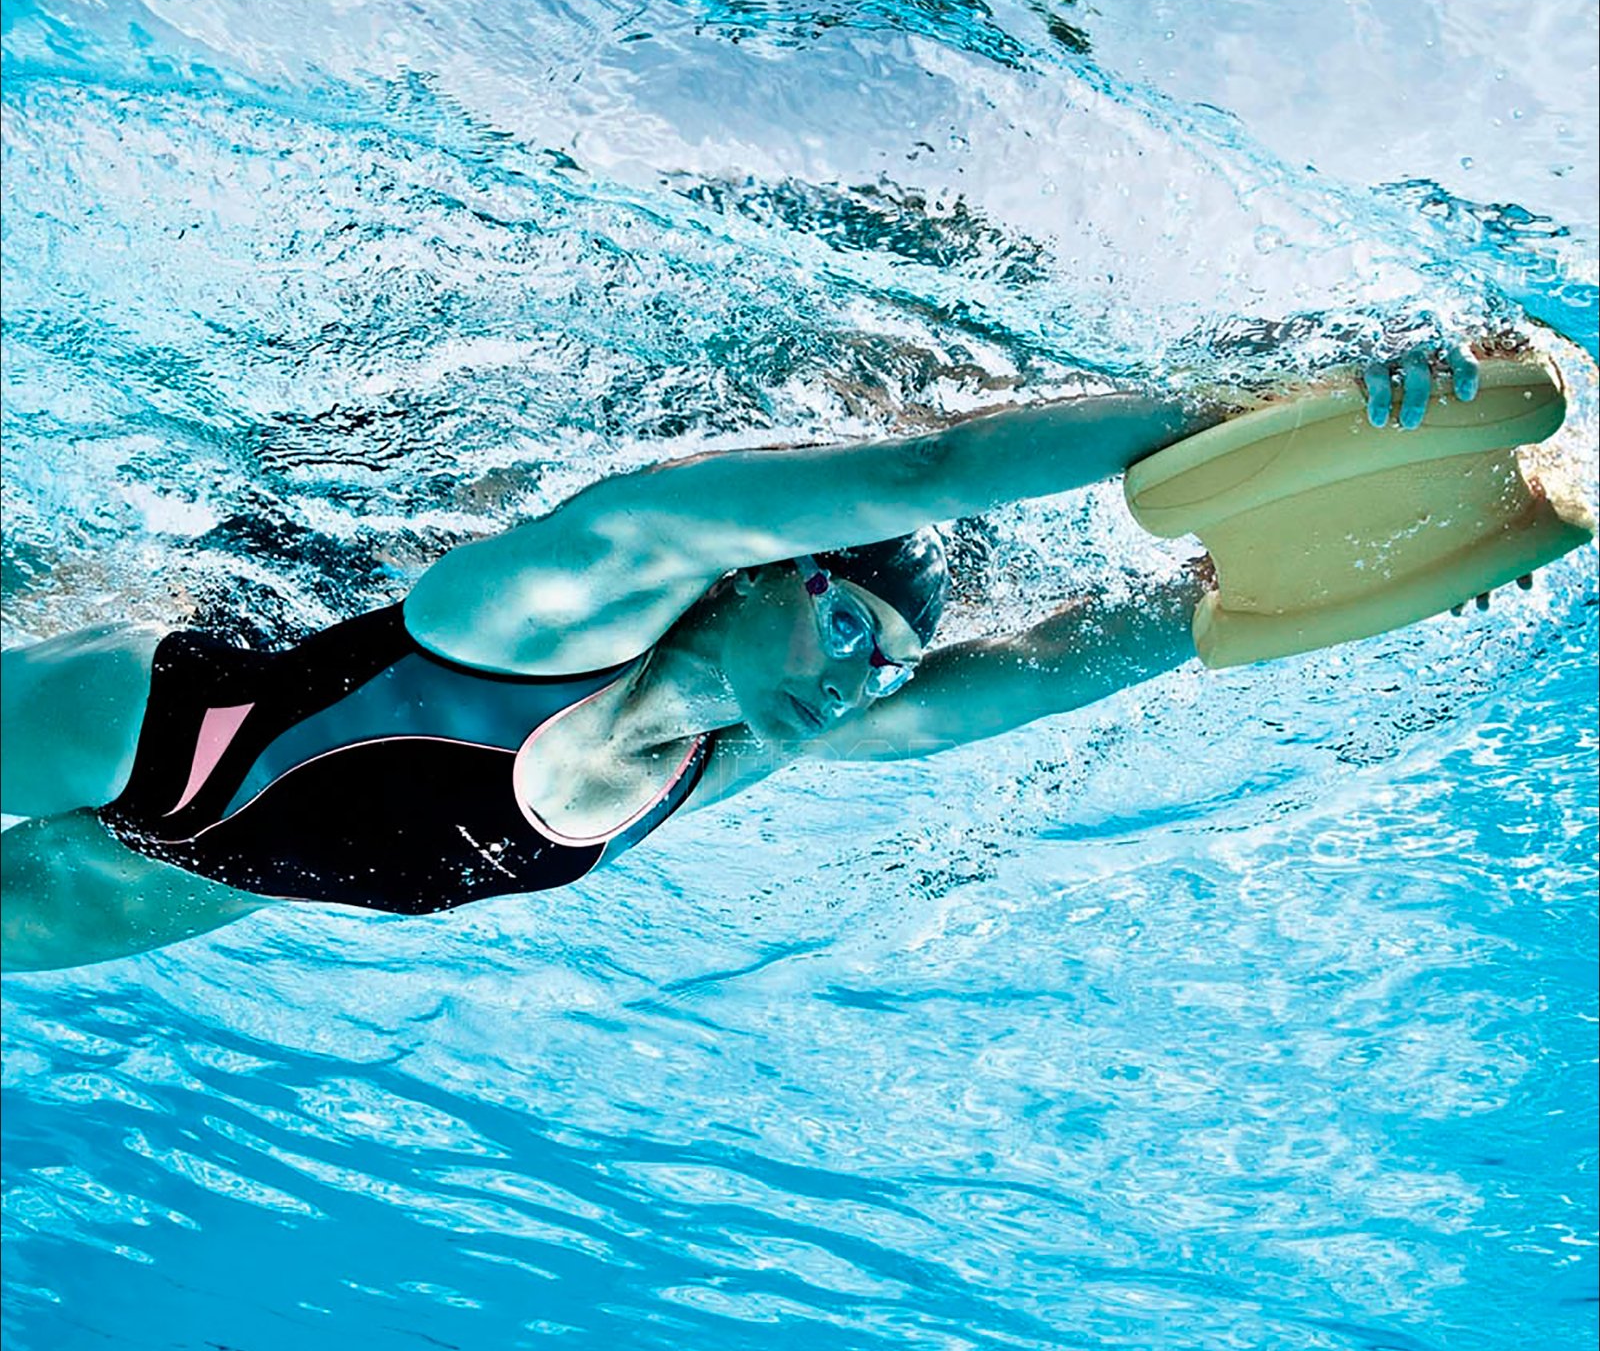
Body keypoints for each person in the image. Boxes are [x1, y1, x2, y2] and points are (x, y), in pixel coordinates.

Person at [0, 347, 1483, 973]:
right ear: (771, 568)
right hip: (155, 727)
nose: (852, 681)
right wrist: (1268, 401)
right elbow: (929, 473)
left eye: (881, 662)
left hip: (212, 868)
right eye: (845, 624)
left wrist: (1310, 572)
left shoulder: (736, 752)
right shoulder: (565, 598)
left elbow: (1026, 673)